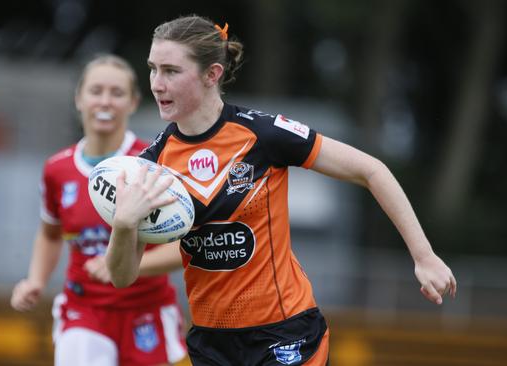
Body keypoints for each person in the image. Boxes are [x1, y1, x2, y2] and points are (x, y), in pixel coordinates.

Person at [105, 15, 457, 366]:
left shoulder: (264, 134)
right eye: (152, 69)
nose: (156, 84)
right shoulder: (150, 165)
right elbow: (122, 277)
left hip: (285, 334)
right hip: (212, 345)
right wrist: (123, 225)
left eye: (171, 71)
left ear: (211, 74)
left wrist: (423, 256)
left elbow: (371, 170)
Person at [10, 54, 187, 366]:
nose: (105, 101)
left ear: (133, 102)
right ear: (79, 99)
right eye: (96, 91)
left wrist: (121, 266)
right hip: (84, 310)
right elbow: (50, 235)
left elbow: (184, 246)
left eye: (117, 93)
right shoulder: (57, 169)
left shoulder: (156, 163)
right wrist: (35, 280)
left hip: (147, 311)